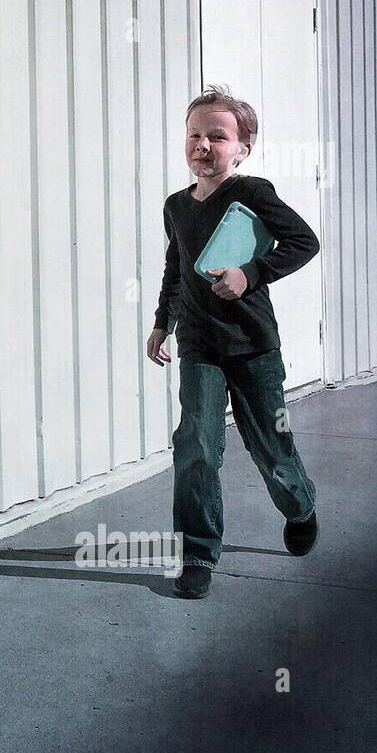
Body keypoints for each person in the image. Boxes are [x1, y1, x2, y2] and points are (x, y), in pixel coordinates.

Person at [146, 86, 321, 599]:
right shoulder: (177, 206)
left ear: (242, 147)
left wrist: (251, 273)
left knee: (271, 446)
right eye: (194, 135)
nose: (203, 145)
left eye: (217, 137)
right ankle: (199, 553)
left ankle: (300, 505)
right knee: (195, 446)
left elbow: (303, 242)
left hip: (252, 346)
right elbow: (175, 270)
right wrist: (163, 322)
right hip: (200, 347)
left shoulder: (253, 193)